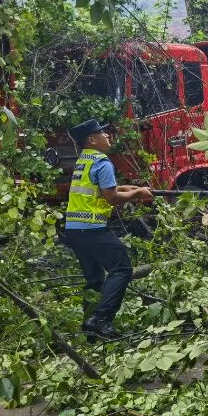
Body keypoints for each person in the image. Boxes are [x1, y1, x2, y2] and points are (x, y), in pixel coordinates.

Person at [63, 119, 153, 340]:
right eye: (102, 133)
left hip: (74, 230)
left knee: (94, 280)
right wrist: (138, 193)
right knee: (122, 269)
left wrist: (130, 188)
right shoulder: (102, 162)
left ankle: (90, 328)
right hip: (93, 228)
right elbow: (111, 198)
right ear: (92, 140)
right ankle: (101, 320)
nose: (108, 136)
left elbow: (101, 189)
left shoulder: (84, 161)